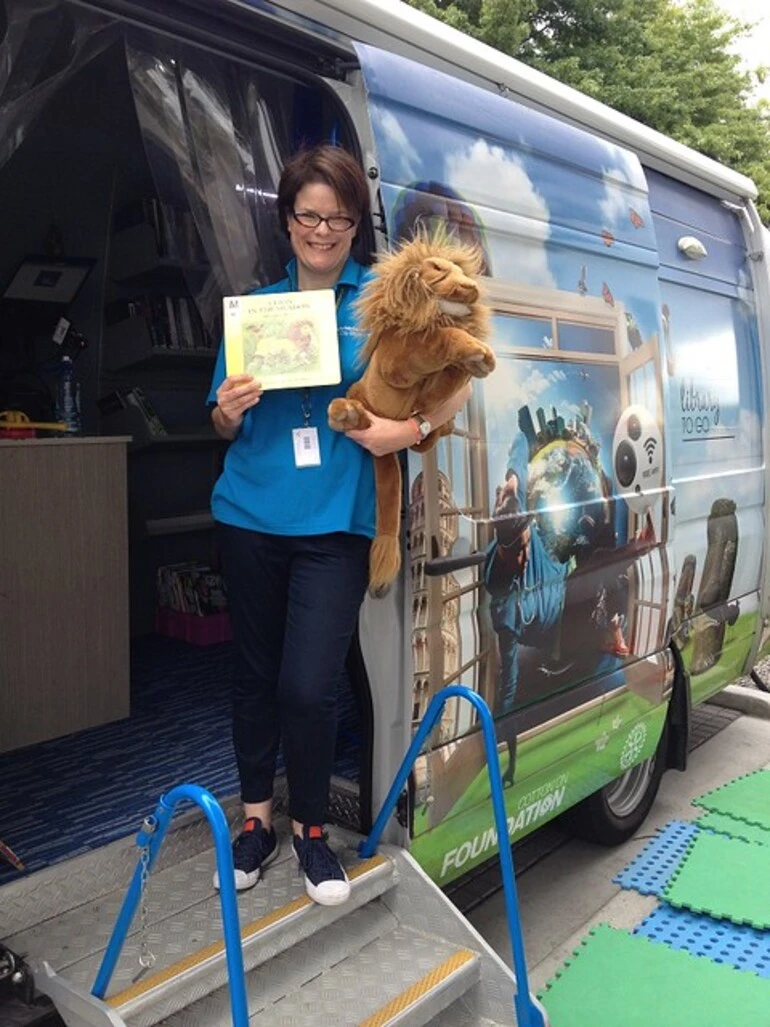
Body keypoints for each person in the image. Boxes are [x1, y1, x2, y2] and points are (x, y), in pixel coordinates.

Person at [208, 144, 472, 906]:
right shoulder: (254, 310)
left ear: (357, 224)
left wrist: (410, 429)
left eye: (339, 217)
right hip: (249, 513)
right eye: (308, 214)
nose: (322, 230)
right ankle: (256, 819)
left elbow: (460, 382)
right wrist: (226, 412)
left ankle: (313, 832)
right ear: (287, 219)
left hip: (339, 522)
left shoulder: (386, 300)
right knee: (254, 674)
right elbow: (223, 427)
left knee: (309, 683)